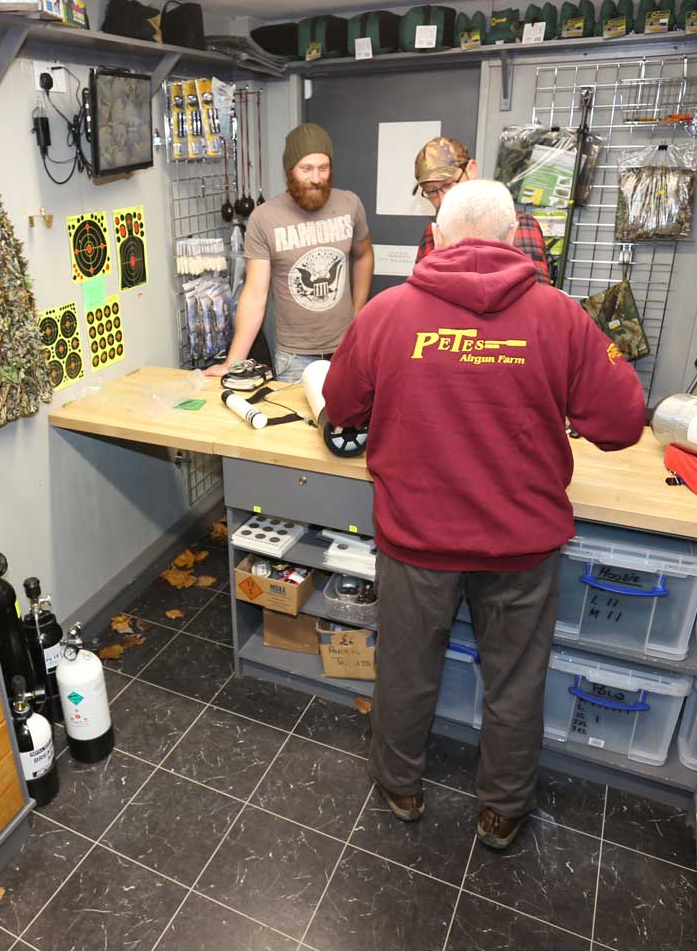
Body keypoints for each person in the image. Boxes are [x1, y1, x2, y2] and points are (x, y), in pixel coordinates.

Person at [321, 180, 645, 849]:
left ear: (435, 238)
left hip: (417, 540)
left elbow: (341, 405)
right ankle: (503, 810)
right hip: (522, 543)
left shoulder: (386, 313)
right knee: (516, 682)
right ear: (512, 239)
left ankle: (402, 788)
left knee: (407, 673)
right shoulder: (561, 316)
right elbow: (621, 423)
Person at [205, 123, 374, 383]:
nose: (317, 178)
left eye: (323, 168)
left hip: (346, 348)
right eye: (306, 169)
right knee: (296, 424)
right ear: (289, 171)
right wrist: (232, 363)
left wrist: (359, 312)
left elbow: (363, 255)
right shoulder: (265, 217)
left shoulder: (350, 204)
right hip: (295, 358)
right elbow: (254, 294)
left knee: (347, 423)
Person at [413, 136, 552, 286]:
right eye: (431, 191)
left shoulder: (519, 224)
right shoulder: (432, 233)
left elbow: (537, 295)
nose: (442, 199)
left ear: (471, 170)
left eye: (448, 185)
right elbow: (420, 292)